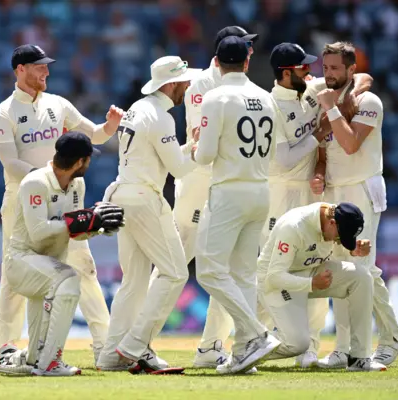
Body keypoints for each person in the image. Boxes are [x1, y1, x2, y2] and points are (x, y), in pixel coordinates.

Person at [0, 44, 122, 373]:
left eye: (46, 66)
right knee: (13, 281)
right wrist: (44, 180)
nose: (46, 72)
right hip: (22, 199)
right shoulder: (4, 112)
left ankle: (104, 347)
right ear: (20, 70)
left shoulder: (58, 104)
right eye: (39, 67)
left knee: (85, 268)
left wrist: (110, 125)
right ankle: (6, 349)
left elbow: (94, 135)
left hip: (64, 193)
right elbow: (10, 163)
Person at [262, 42, 374, 368]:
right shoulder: (272, 105)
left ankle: (310, 348)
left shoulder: (311, 89)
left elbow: (360, 77)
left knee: (319, 267)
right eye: (302, 67)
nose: (311, 72)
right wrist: (318, 133)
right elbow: (283, 159)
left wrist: (352, 94)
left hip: (313, 195)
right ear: (286, 73)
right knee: (275, 271)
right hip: (282, 195)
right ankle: (254, 340)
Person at [97, 55, 200, 374]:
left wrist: (188, 148)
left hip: (123, 194)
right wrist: (203, 150)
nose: (187, 86)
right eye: (183, 81)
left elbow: (160, 155)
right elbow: (180, 169)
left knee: (135, 280)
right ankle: (135, 345)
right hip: (144, 199)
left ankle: (111, 355)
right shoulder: (160, 117)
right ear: (170, 84)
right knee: (175, 273)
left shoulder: (138, 109)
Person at [313, 42, 398, 369]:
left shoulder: (370, 101)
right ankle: (342, 349)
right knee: (341, 269)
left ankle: (386, 340)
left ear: (350, 69)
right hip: (335, 193)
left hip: (362, 190)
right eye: (325, 68)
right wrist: (320, 173)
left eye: (336, 68)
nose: (328, 75)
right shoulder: (327, 96)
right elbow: (324, 149)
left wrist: (332, 108)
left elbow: (351, 144)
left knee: (362, 269)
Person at [2, 133, 125, 376]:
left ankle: (11, 359)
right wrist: (84, 219)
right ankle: (52, 363)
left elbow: (74, 232)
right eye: (88, 160)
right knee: (70, 278)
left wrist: (96, 227)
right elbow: (38, 232)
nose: (89, 164)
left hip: (49, 268)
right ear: (80, 162)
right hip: (22, 262)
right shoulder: (35, 182)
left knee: (33, 356)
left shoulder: (77, 184)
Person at [193, 36, 280, 374]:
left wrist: (196, 146)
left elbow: (205, 156)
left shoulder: (216, 97)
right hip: (260, 188)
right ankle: (245, 351)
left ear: (217, 63)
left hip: (229, 190)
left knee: (210, 270)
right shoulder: (265, 97)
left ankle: (256, 335)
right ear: (246, 62)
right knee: (244, 273)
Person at [181, 25, 258, 368]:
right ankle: (137, 342)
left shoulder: (246, 90)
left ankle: (212, 346)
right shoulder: (201, 83)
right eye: (246, 47)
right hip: (199, 181)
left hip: (226, 182)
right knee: (174, 264)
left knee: (227, 269)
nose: (251, 53)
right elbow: (201, 140)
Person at [257, 202, 388, 372]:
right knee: (298, 344)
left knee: (362, 277)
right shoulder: (294, 226)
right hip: (274, 282)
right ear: (332, 223)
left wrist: (353, 250)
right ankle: (250, 344)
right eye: (340, 237)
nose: (337, 241)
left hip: (309, 271)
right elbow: (274, 277)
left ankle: (360, 358)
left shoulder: (335, 218)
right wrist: (311, 284)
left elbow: (335, 244)